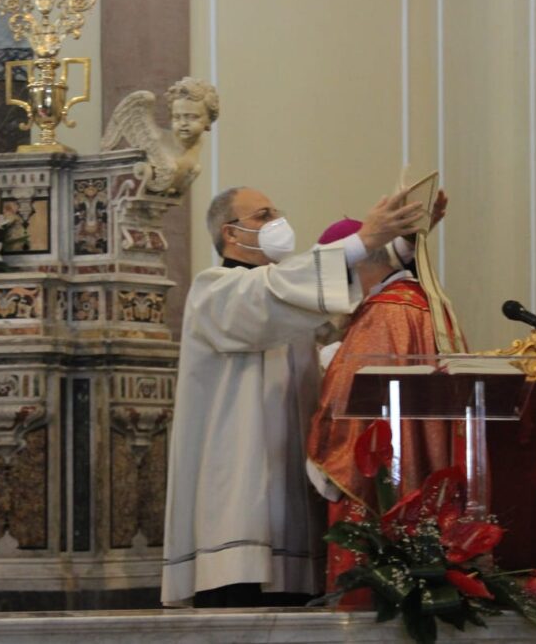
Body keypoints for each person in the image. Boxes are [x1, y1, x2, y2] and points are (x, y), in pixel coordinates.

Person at [161, 186, 429, 607]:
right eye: (263, 215)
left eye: (275, 212)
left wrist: (407, 246)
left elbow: (342, 295)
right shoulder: (214, 289)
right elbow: (272, 293)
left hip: (291, 487)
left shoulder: (289, 297)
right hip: (238, 494)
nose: (276, 222)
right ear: (230, 233)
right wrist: (366, 240)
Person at [305, 217, 465, 606]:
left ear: (356, 265)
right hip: (429, 476)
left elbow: (343, 408)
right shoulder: (431, 306)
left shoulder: (381, 314)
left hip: (383, 490)